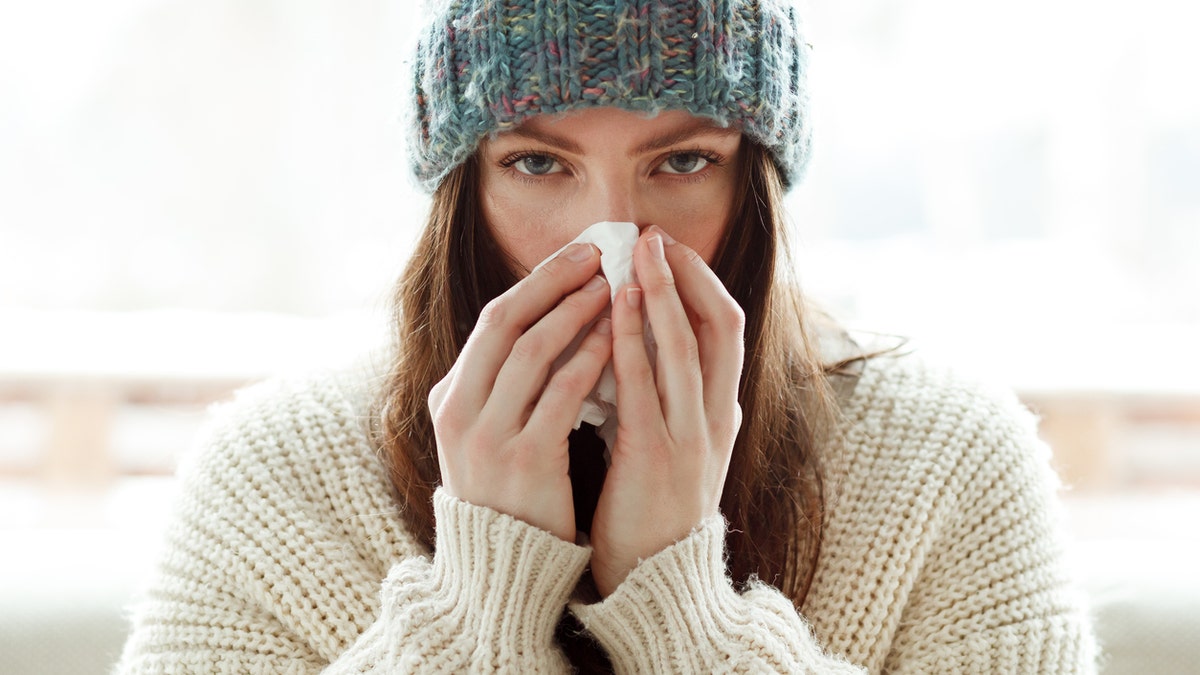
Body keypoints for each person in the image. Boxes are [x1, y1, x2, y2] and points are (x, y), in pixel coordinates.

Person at [116, 0, 1098, 672]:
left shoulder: (951, 462)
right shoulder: (274, 477)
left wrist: (682, 604)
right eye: (540, 162)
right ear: (465, 189)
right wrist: (476, 604)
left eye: (682, 159)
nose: (612, 239)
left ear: (751, 182)